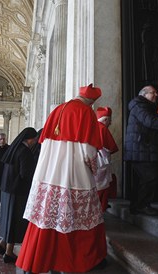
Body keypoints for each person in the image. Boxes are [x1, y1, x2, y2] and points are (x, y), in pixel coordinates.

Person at [16, 84, 107, 273]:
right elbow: (88, 150)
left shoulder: (57, 109)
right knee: (78, 218)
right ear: (90, 102)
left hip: (49, 172)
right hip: (73, 173)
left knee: (46, 218)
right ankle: (78, 261)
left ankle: (38, 259)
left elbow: (45, 142)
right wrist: (93, 169)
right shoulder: (85, 112)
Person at [0, 127, 38, 264]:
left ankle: (2, 245)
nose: (35, 142)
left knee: (7, 218)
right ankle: (8, 252)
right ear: (29, 139)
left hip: (7, 190)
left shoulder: (14, 149)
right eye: (34, 139)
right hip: (17, 191)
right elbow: (25, 174)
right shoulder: (25, 152)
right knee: (14, 221)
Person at [124, 86, 158, 216]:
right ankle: (142, 205)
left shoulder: (143, 105)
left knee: (143, 179)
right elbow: (150, 121)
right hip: (141, 149)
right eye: (153, 92)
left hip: (142, 149)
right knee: (149, 177)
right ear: (144, 94)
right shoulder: (140, 105)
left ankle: (136, 206)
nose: (156, 95)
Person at [94, 107, 119, 212]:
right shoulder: (102, 128)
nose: (111, 123)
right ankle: (101, 208)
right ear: (105, 119)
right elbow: (111, 147)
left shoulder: (93, 126)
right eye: (109, 120)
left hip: (93, 160)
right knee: (102, 185)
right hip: (101, 161)